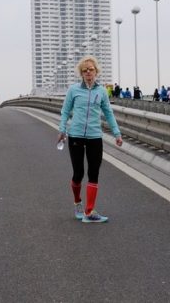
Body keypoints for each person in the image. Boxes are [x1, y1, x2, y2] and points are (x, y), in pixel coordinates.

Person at [58, 56, 123, 224]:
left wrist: (117, 133)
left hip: (95, 136)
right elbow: (65, 111)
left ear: (96, 72)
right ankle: (78, 202)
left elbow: (108, 112)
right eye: (85, 70)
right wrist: (62, 129)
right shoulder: (73, 90)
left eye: (91, 69)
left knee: (94, 173)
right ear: (81, 73)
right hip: (76, 135)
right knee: (78, 174)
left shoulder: (101, 91)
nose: (88, 72)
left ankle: (89, 211)